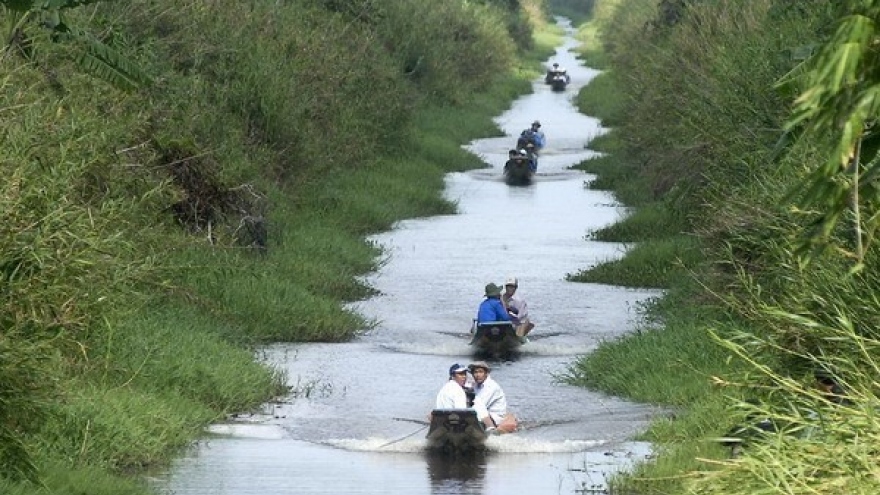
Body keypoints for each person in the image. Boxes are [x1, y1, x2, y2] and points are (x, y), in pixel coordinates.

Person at [434, 363, 495, 430]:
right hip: (455, 426)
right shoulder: (458, 390)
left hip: (443, 423)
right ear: (452, 376)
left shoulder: (444, 388)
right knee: (478, 404)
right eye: (460, 374)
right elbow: (461, 412)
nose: (464, 377)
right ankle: (490, 428)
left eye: (465, 374)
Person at [468, 361, 517, 433]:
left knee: (477, 406)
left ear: (486, 373)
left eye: (480, 372)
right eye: (475, 372)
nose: (478, 375)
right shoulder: (477, 385)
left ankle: (491, 430)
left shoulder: (491, 386)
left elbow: (479, 404)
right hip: (485, 415)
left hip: (496, 417)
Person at [501, 277, 535, 342]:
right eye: (508, 286)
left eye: (512, 286)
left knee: (522, 328)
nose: (510, 288)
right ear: (505, 287)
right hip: (503, 325)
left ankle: (523, 341)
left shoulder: (520, 301)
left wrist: (508, 311)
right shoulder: (500, 298)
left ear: (516, 288)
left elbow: (520, 318)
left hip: (517, 324)